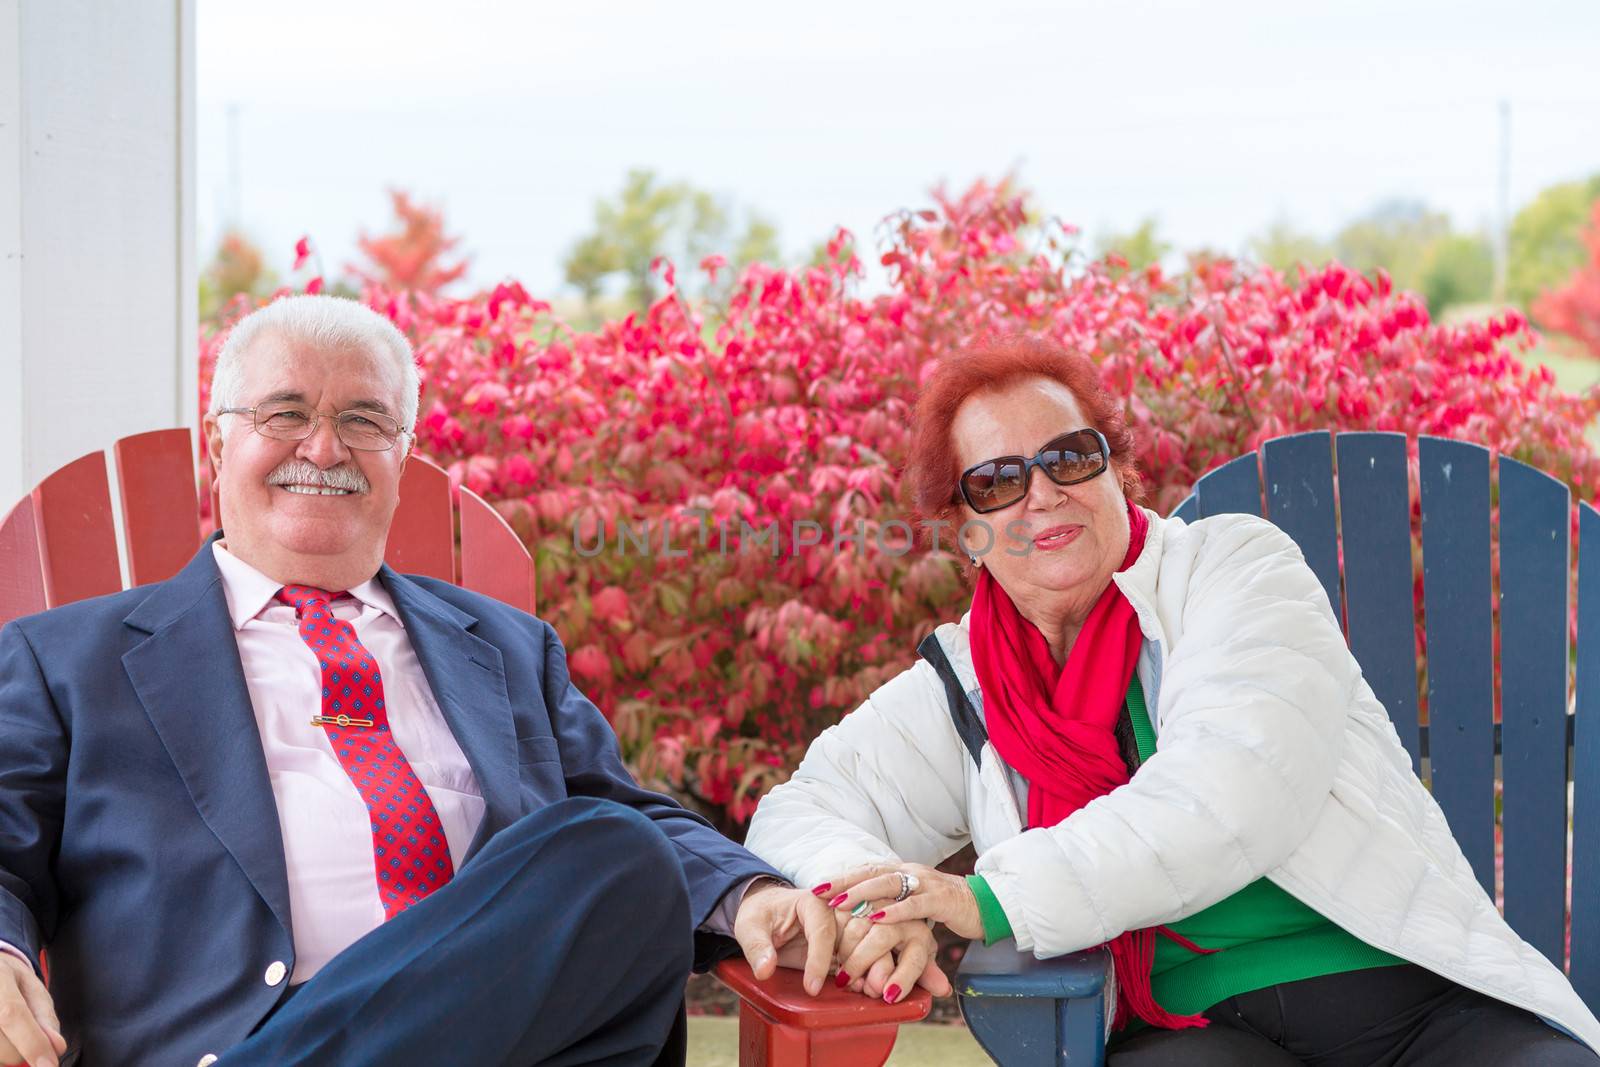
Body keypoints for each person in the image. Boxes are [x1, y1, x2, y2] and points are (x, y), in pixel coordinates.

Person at [0, 295, 840, 1067]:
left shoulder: (510, 651)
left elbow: (627, 822)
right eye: (285, 412)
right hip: (221, 1036)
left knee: (620, 853)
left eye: (363, 420)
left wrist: (748, 893)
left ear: (403, 453)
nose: (323, 447)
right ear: (220, 441)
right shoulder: (66, 660)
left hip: (502, 1037)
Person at [743, 336, 1600, 1064]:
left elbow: (1231, 789)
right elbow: (805, 807)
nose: (1042, 494)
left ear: (1117, 468)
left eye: (1069, 457)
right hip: (1190, 1026)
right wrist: (876, 905)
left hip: (1403, 994)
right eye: (998, 481)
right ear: (966, 528)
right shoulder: (968, 682)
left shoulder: (1234, 569)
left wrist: (980, 898)